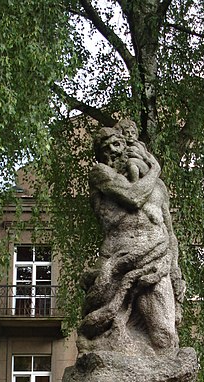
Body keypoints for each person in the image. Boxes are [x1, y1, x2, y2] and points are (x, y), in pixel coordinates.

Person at [77, 124, 185, 356]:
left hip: (156, 259)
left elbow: (169, 228)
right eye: (105, 149)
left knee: (165, 337)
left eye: (117, 145)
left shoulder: (158, 187)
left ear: (128, 146)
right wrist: (155, 167)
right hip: (119, 261)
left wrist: (175, 269)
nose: (113, 152)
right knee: (110, 337)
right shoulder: (100, 173)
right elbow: (134, 197)